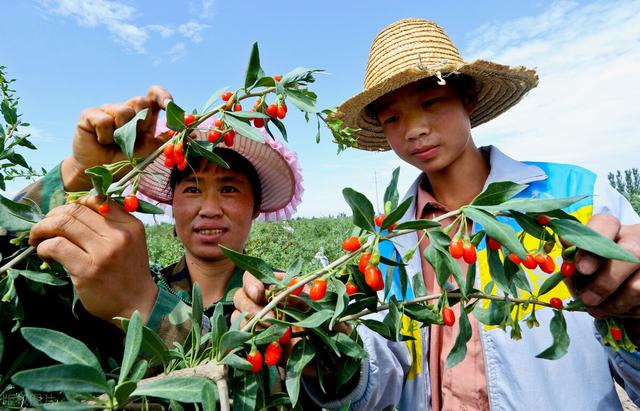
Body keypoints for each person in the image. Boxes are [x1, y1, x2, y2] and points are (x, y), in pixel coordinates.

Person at [234, 18, 640, 410]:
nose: (414, 129)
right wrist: (328, 345)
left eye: (430, 102)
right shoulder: (389, 239)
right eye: (392, 117)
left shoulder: (576, 199)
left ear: (469, 99)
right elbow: (388, 376)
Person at [1, 86, 303, 378]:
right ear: (173, 204)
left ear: (255, 207)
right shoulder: (107, 282)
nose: (209, 208)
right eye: (193, 188)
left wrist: (143, 305)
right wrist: (78, 172)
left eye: (229, 188)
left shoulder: (281, 299)